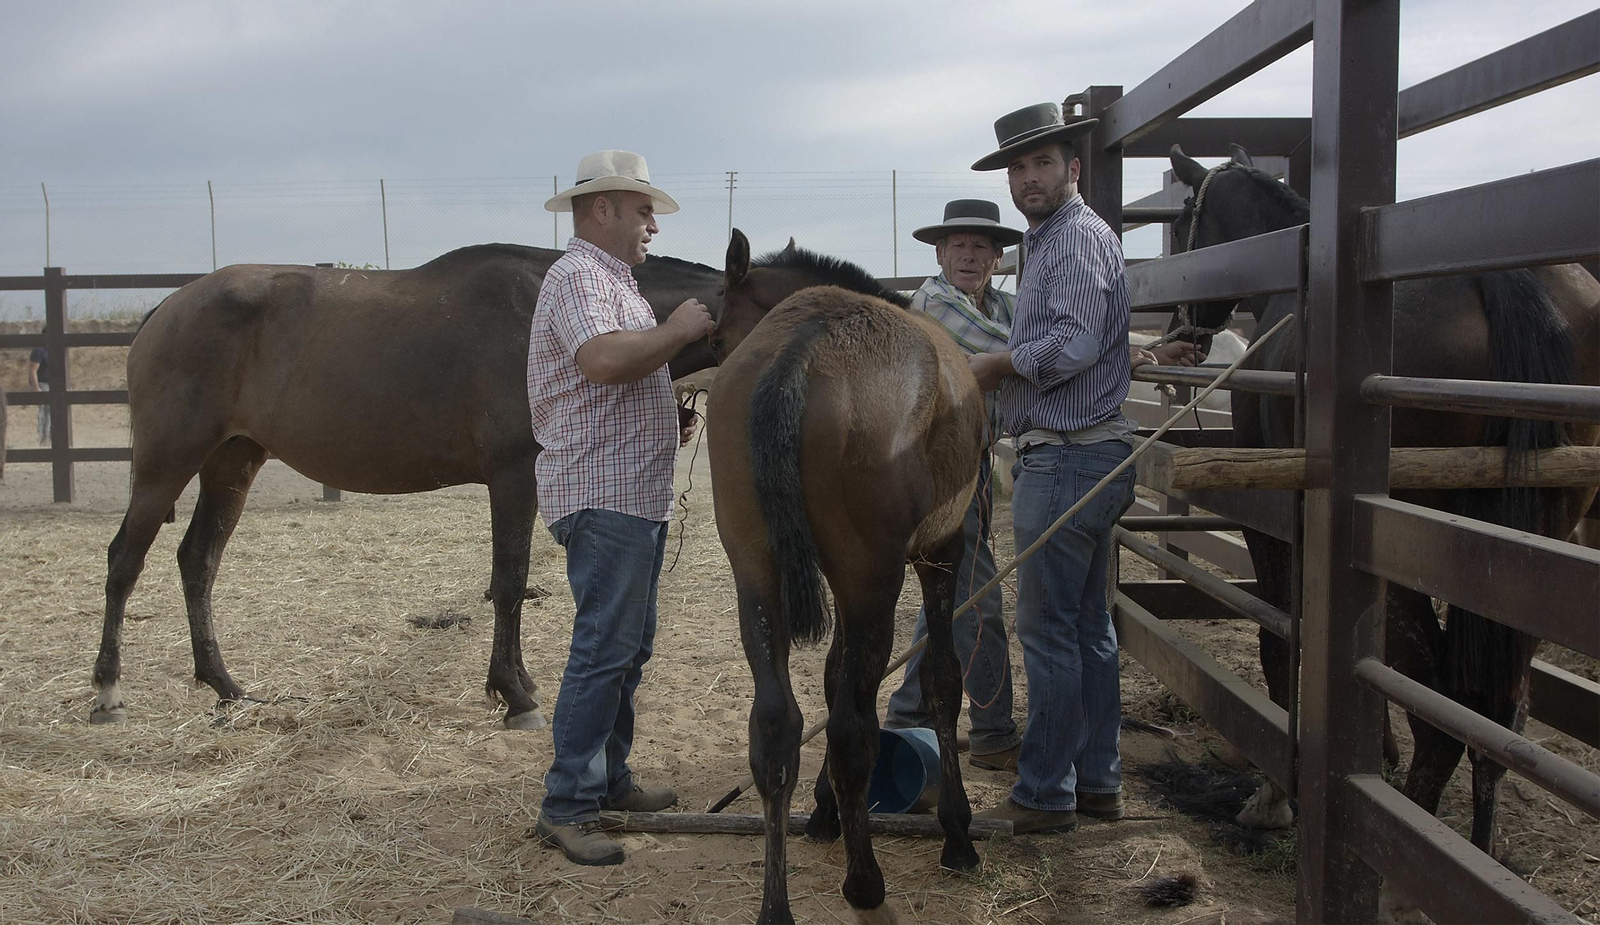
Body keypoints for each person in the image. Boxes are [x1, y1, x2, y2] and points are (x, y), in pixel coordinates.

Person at [526, 150, 715, 866]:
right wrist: (682, 329)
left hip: (627, 492)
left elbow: (618, 374)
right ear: (600, 208)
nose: (652, 228)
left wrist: (663, 410)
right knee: (605, 648)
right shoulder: (578, 277)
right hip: (603, 493)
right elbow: (603, 360)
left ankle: (607, 782)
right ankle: (568, 805)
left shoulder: (611, 283)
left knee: (625, 648)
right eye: (643, 211)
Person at [966, 102, 1137, 834]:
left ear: (1072, 168)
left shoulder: (1069, 242)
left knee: (1049, 633)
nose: (1029, 177)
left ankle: (1045, 792)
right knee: (1088, 627)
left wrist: (999, 362)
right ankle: (1097, 779)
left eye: (1043, 164)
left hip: (1066, 457)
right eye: (1019, 167)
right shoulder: (1062, 239)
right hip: (1093, 453)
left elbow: (1071, 348)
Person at [882, 199, 1026, 771]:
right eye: (959, 246)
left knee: (950, 596)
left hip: (968, 464)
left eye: (981, 247)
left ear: (996, 257)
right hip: (939, 473)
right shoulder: (936, 306)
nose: (970, 256)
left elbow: (1039, 335)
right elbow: (1027, 350)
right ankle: (994, 731)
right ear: (939, 254)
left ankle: (908, 713)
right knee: (976, 595)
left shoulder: (1001, 305)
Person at [28, 332, 49, 445]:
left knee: (51, 410)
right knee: (46, 408)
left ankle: (49, 436)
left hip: (51, 383)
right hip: (41, 382)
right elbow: (32, 370)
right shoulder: (39, 350)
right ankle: (43, 436)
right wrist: (36, 387)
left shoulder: (53, 350)